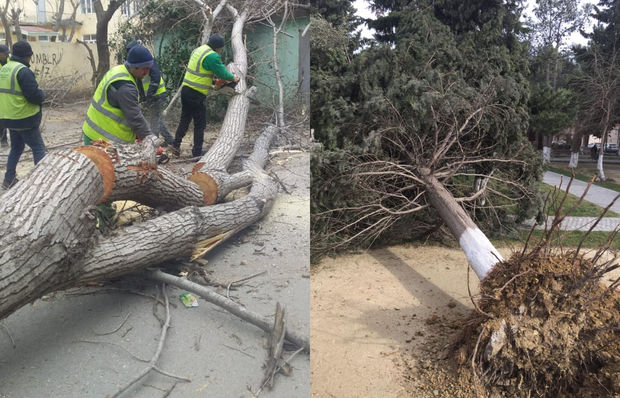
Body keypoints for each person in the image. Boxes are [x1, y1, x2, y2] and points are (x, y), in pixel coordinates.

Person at [172, 33, 239, 157]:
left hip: (186, 90)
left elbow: (200, 72)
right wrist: (233, 78)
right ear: (218, 47)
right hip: (196, 94)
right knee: (200, 124)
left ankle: (175, 146)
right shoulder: (212, 56)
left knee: (185, 120)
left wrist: (214, 82)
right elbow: (222, 73)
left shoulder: (198, 50)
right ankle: (197, 152)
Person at [82, 44, 156, 145]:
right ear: (134, 66)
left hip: (93, 132)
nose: (147, 72)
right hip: (101, 140)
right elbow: (135, 118)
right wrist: (151, 141)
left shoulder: (118, 70)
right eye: (145, 68)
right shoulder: (126, 88)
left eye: (149, 68)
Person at [0, 41, 46, 189]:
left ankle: (9, 179)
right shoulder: (23, 71)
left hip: (9, 118)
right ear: (28, 56)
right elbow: (33, 95)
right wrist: (42, 95)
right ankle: (41, 183)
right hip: (24, 118)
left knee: (17, 148)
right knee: (38, 148)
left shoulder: (5, 69)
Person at [126, 40, 175, 146]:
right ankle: (170, 140)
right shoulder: (135, 65)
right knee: (157, 118)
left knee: (155, 120)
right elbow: (139, 83)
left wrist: (150, 95)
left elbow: (156, 77)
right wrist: (143, 98)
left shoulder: (146, 60)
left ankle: (154, 144)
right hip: (151, 95)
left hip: (157, 94)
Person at [0, 44, 10, 148]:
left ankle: (5, 139)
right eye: (5, 54)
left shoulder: (10, 62)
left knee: (8, 117)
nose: (7, 55)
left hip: (8, 94)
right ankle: (3, 139)